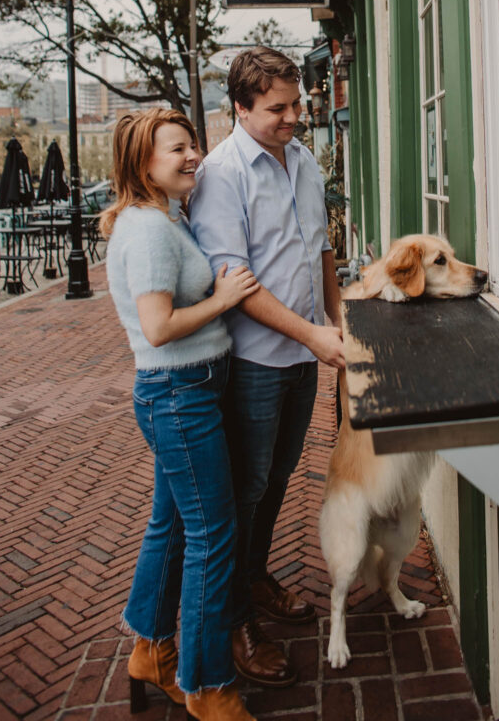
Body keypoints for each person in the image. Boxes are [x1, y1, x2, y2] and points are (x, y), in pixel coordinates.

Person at [189, 46, 346, 687]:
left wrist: (337, 322)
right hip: (255, 361)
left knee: (278, 477)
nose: (293, 117)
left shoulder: (304, 159)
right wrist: (313, 334)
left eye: (296, 104)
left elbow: (323, 249)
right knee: (243, 493)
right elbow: (237, 283)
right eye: (276, 109)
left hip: (305, 353)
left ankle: (255, 578)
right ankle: (233, 620)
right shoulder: (221, 175)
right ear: (240, 109)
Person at [101, 108, 260, 721]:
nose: (194, 155)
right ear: (144, 164)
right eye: (177, 149)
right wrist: (222, 299)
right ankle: (207, 685)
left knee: (171, 529)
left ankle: (151, 649)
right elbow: (158, 327)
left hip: (192, 392)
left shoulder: (167, 217)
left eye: (193, 144)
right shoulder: (145, 230)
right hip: (179, 395)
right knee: (213, 537)